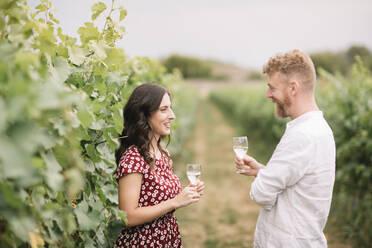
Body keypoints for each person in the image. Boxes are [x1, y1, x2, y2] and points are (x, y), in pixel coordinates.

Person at [235, 50, 336, 247]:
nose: (268, 94)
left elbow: (261, 193)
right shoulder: (320, 128)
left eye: (272, 88)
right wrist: (264, 171)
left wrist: (264, 179)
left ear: (293, 88)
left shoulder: (302, 135)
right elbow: (299, 180)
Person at [114, 83, 205, 247]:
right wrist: (175, 202)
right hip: (142, 243)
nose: (172, 115)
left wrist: (186, 195)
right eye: (164, 109)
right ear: (144, 114)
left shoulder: (163, 153)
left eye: (170, 108)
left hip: (167, 239)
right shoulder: (133, 159)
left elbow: (159, 200)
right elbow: (127, 216)